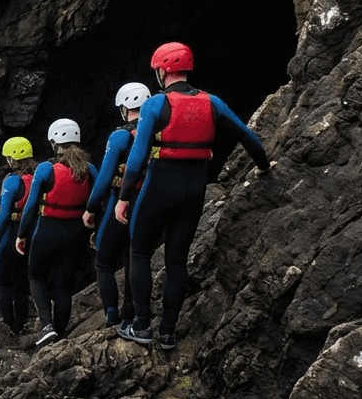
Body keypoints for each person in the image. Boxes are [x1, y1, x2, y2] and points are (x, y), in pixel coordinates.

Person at [114, 42, 273, 350]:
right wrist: (265, 167)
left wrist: (122, 197)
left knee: (140, 253)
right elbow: (249, 137)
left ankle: (142, 326)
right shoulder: (212, 102)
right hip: (194, 188)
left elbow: (137, 156)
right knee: (177, 260)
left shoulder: (155, 105)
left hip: (160, 183)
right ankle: (168, 333)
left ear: (163, 71)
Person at [16, 119, 97, 346]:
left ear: (54, 143)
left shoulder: (46, 168)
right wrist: (95, 230)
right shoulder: (89, 168)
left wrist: (21, 235)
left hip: (48, 230)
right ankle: (59, 334)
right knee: (63, 285)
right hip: (77, 233)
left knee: (36, 276)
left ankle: (47, 326)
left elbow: (31, 205)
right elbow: (99, 197)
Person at [82, 83, 151, 327]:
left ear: (124, 108)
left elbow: (103, 179)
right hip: (150, 201)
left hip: (122, 202)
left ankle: (112, 315)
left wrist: (91, 208)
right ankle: (132, 312)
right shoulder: (158, 131)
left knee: (103, 262)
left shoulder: (120, 136)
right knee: (136, 257)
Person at [0, 137, 35, 334]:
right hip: (31, 234)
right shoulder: (38, 175)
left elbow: (4, 216)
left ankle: (8, 322)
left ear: (12, 159)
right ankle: (21, 320)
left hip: (12, 235)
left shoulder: (12, 180)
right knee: (21, 280)